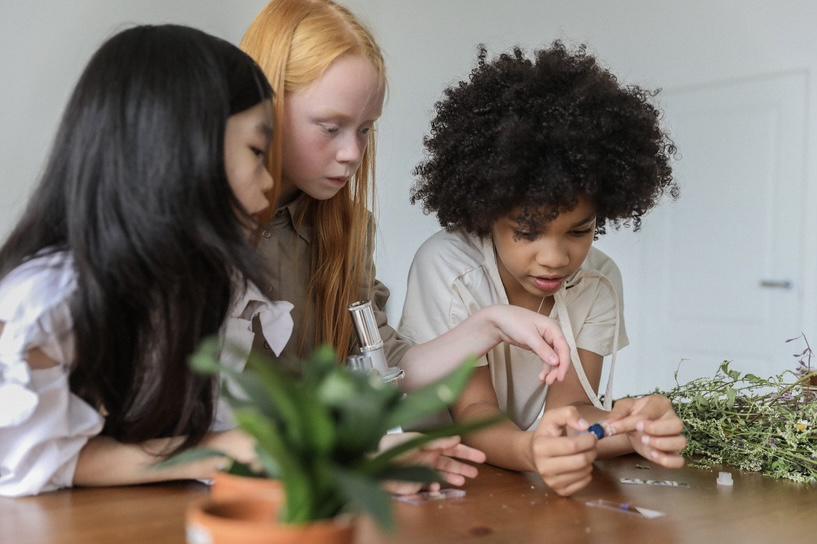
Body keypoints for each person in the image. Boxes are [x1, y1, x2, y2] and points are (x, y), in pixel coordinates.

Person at [240, 0, 571, 396]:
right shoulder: (199, 225)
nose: (352, 152)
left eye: (365, 129)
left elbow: (385, 366)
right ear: (268, 107)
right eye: (331, 128)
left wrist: (491, 324)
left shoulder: (348, 228)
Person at [400, 42, 688, 497]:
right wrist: (531, 451)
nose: (556, 258)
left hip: (525, 482)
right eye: (528, 231)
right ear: (486, 209)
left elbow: (572, 406)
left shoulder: (599, 280)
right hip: (444, 479)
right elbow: (474, 411)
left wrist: (629, 426)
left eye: (580, 231)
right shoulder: (448, 267)